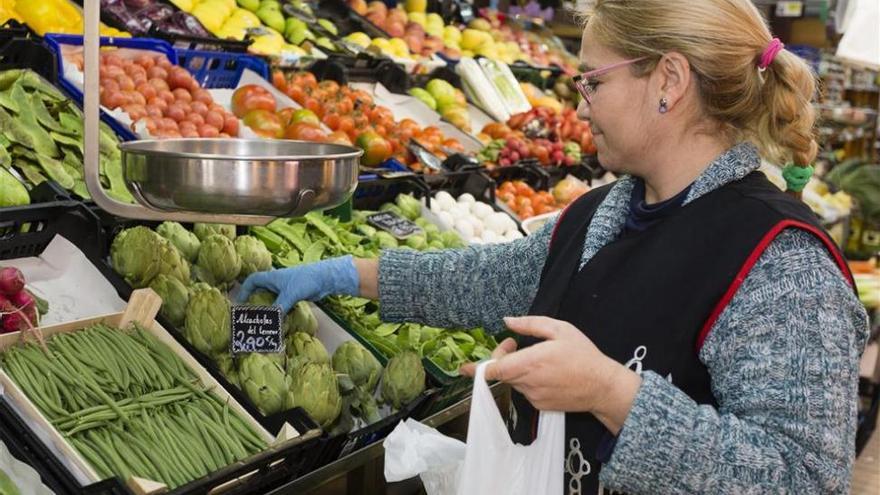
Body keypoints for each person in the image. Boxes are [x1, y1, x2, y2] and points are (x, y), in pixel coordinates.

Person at [239, 0, 869, 492]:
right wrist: (350, 273)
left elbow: (801, 478)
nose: (580, 101)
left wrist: (611, 394)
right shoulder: (606, 211)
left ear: (668, 81)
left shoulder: (783, 263)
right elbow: (489, 281)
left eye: (593, 80)